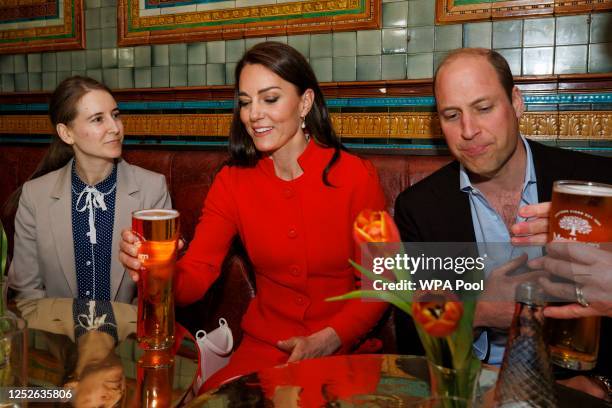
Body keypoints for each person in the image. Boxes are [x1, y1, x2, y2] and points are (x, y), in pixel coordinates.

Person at [119, 42, 388, 390]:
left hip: (341, 350)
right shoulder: (232, 182)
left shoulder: (356, 177)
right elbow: (197, 275)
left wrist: (331, 338)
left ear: (305, 102)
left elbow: (383, 285)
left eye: (270, 99)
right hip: (264, 350)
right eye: (245, 102)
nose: (253, 114)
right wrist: (157, 272)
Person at [393, 48, 612, 396]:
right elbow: (408, 330)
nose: (468, 130)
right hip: (470, 388)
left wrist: (604, 384)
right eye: (452, 115)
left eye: (484, 108)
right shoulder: (420, 207)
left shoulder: (593, 186)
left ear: (516, 102)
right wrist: (481, 309)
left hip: (572, 388)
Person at [7, 76, 171, 302]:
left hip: (127, 333)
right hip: (56, 334)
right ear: (66, 133)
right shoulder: (35, 196)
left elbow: (155, 291)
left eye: (115, 115)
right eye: (97, 119)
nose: (115, 128)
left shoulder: (152, 189)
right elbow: (27, 292)